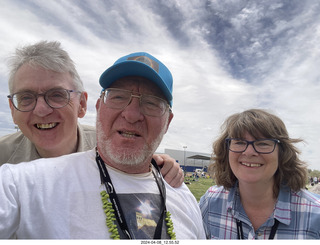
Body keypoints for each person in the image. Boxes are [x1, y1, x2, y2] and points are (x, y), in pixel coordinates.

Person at [0, 51, 206, 239]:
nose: (132, 115)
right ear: (99, 107)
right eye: (118, 97)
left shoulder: (182, 194)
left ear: (167, 122)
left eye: (151, 102)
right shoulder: (19, 183)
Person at [0, 41, 183, 187]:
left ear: (82, 104)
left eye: (56, 95)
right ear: (12, 108)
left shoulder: (111, 145)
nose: (41, 110)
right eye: (25, 97)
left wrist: (157, 163)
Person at [199, 109, 320, 239]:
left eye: (262, 143)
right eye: (239, 142)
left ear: (282, 153)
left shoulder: (315, 214)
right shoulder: (210, 203)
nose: (249, 152)